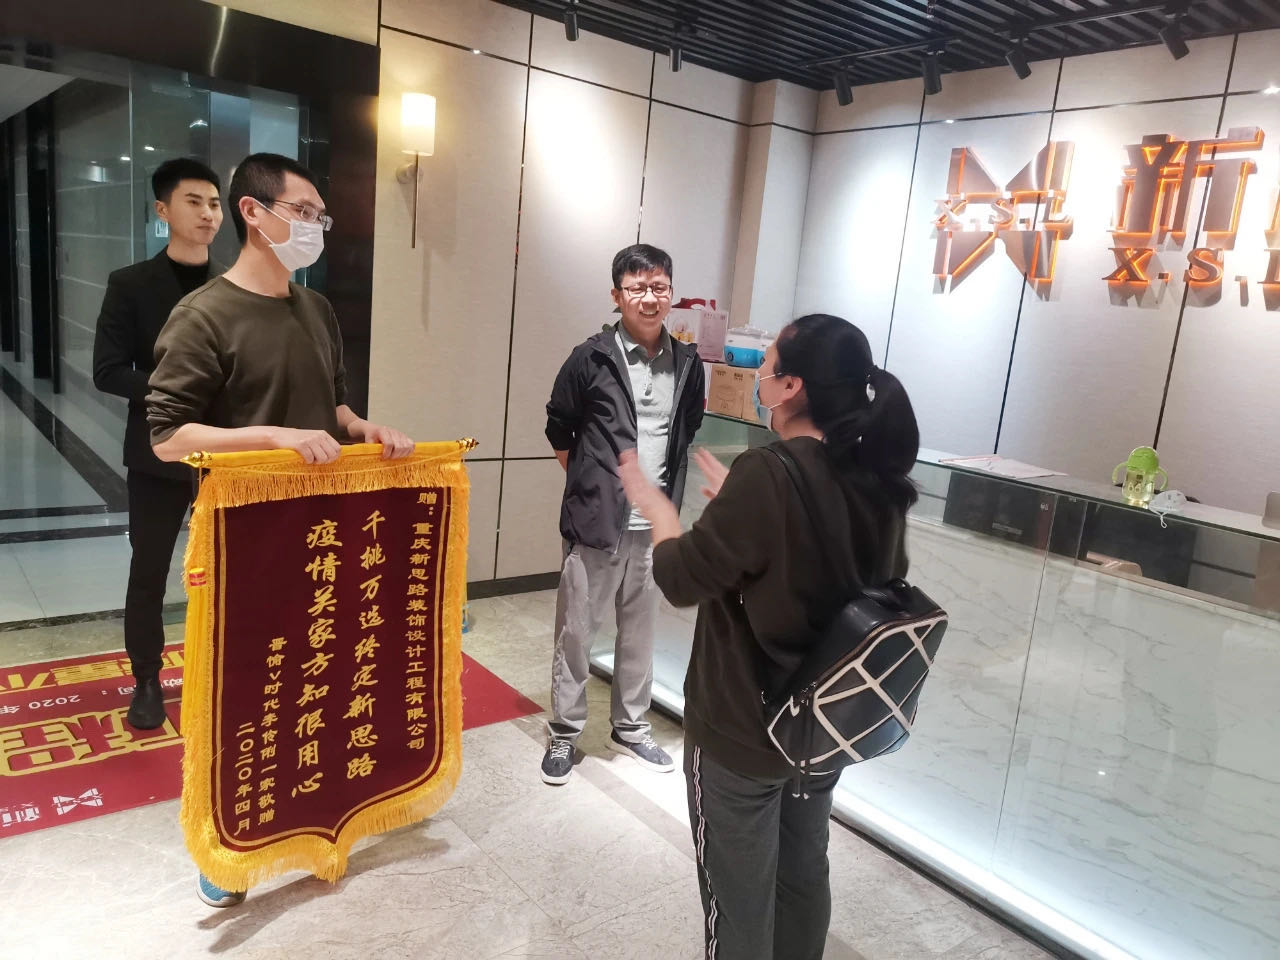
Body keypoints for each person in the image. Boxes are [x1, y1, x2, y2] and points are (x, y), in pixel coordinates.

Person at [146, 152, 415, 908]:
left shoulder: (316, 309)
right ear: (253, 213)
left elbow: (333, 405)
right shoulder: (204, 315)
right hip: (246, 543)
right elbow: (167, 437)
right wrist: (271, 438)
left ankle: (308, 815)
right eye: (303, 212)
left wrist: (364, 428)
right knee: (240, 691)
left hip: (324, 532)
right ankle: (224, 842)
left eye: (320, 216)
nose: (316, 227)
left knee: (320, 675)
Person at [619, 314, 921, 960]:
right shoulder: (875, 477)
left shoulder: (769, 472)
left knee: (739, 902)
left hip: (743, 731)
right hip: (823, 730)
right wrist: (744, 508)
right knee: (803, 875)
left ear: (791, 387)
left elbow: (681, 577)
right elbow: (848, 576)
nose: (759, 375)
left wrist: (662, 513)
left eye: (768, 364)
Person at [541, 243, 706, 785]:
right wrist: (590, 484)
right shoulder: (590, 357)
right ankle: (564, 732)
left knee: (640, 632)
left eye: (659, 287)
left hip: (655, 526)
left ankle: (631, 728)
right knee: (577, 632)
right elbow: (559, 425)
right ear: (617, 295)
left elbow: (687, 429)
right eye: (637, 288)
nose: (649, 298)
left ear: (671, 293)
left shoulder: (689, 364)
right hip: (597, 523)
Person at [92, 158, 224, 731]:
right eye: (193, 201)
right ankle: (147, 678)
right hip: (157, 452)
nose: (208, 213)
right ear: (162, 210)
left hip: (225, 453)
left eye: (214, 203)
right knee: (149, 569)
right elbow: (107, 370)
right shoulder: (131, 284)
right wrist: (175, 392)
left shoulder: (233, 284)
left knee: (232, 567)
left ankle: (225, 665)